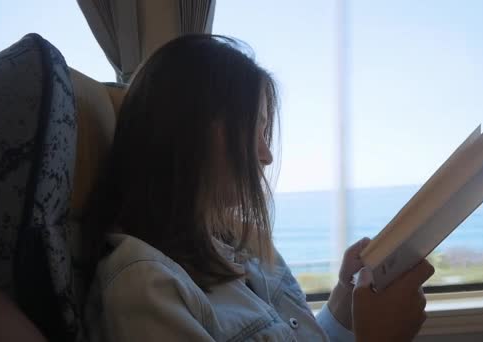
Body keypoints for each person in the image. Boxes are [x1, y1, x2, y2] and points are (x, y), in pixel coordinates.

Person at [82, 34, 434, 342]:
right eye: (256, 130)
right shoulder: (144, 287)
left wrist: (344, 301)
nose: (266, 156)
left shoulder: (246, 243)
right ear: (191, 135)